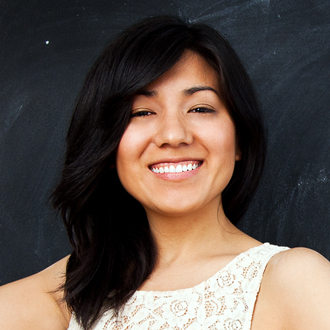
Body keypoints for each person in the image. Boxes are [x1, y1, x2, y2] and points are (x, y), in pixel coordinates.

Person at [1, 15, 330, 330]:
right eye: (142, 112)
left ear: (239, 138)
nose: (173, 135)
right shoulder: (73, 292)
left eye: (200, 108)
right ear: (107, 141)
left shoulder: (295, 281)